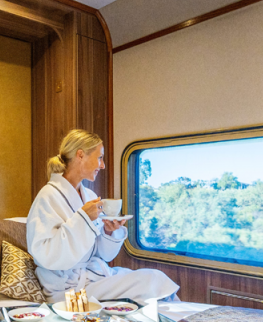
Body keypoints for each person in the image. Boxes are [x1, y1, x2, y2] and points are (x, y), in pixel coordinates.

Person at [26, 129, 180, 303]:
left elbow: (102, 255)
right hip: (67, 288)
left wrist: (108, 232)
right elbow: (46, 255)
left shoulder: (90, 196)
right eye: (100, 157)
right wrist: (83, 218)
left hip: (92, 277)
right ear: (80, 155)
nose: (103, 165)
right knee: (151, 280)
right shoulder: (47, 196)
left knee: (152, 282)